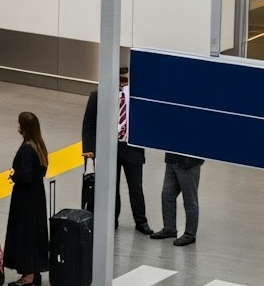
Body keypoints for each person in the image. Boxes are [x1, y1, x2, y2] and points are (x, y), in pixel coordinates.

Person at [81, 63, 153, 234]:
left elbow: (147, 122)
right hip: (109, 148)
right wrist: (89, 149)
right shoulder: (99, 96)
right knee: (111, 186)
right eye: (119, 80)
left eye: (125, 80)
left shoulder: (137, 97)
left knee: (136, 187)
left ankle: (141, 221)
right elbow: (88, 124)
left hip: (131, 148)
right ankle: (112, 218)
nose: (122, 84)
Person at [4, 111, 50, 286]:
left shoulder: (26, 149)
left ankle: (27, 276)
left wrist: (13, 175)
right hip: (37, 196)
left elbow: (25, 176)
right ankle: (35, 272)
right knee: (34, 234)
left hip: (25, 199)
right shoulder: (39, 146)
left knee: (24, 234)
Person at [152, 153, 203, 247]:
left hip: (189, 163)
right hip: (172, 159)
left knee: (189, 199)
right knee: (167, 195)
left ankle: (190, 233)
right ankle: (169, 228)